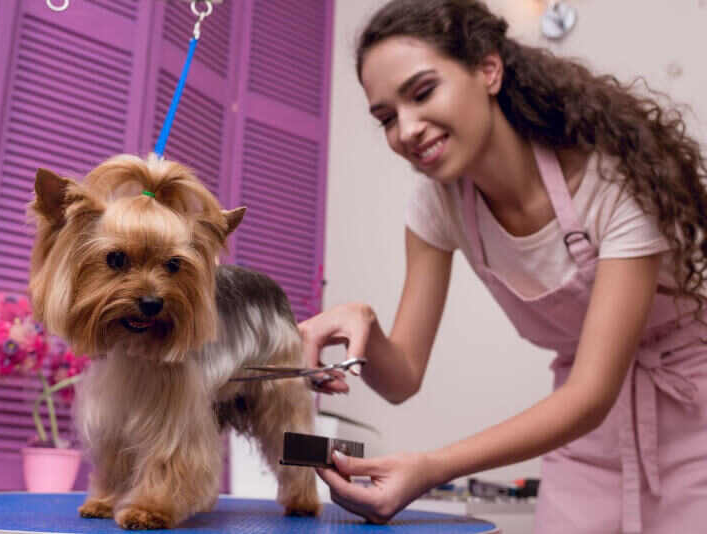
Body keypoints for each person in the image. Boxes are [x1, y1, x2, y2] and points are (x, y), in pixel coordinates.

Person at [297, 1, 707, 532]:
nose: (408, 129)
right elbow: (401, 380)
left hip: (691, 419)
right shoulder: (438, 205)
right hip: (583, 440)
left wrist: (431, 468)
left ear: (488, 70)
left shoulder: (613, 183)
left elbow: (592, 392)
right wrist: (366, 329)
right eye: (387, 118)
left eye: (422, 93)